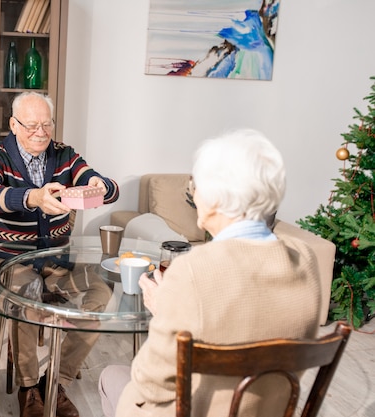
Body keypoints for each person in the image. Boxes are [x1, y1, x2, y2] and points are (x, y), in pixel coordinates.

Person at [98, 129, 322, 417]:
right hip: (270, 410)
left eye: (196, 185)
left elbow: (152, 386)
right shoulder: (304, 260)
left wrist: (166, 309)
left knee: (111, 377)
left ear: (217, 196)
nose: (194, 194)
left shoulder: (194, 269)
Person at [0, 91, 120, 417]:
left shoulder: (65, 155)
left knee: (102, 293)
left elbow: (108, 187)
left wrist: (99, 184)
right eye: (31, 125)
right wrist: (32, 198)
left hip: (56, 262)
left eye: (47, 124)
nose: (40, 132)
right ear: (13, 124)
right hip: (8, 258)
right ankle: (29, 390)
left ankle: (55, 382)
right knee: (26, 292)